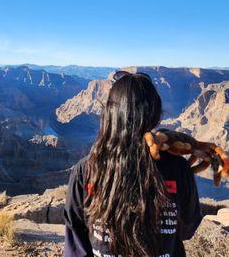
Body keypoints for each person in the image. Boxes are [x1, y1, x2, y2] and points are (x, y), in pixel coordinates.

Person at [63, 71, 203, 257]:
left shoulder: (86, 170)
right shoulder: (178, 168)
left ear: (110, 114)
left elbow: (76, 244)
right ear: (154, 114)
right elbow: (188, 228)